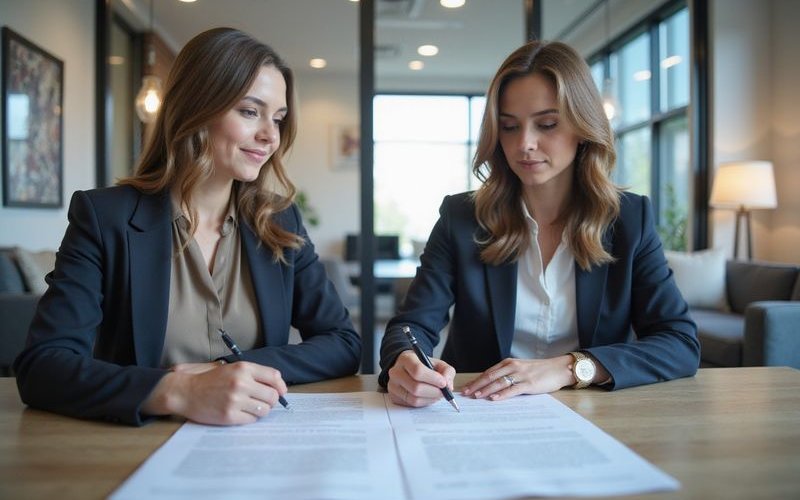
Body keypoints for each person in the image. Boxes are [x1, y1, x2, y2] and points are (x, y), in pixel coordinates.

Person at [14, 28, 361, 426]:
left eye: (278, 119)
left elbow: (343, 343)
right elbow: (43, 366)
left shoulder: (279, 220)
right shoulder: (105, 217)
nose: (270, 136)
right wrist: (178, 391)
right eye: (250, 112)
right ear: (198, 107)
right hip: (136, 446)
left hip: (253, 438)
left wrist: (230, 369)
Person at [379, 40, 699, 408]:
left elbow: (679, 343)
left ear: (583, 127)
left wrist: (570, 367)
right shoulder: (462, 217)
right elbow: (410, 326)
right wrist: (405, 361)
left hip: (594, 413)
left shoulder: (629, 219)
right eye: (509, 127)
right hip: (479, 409)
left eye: (547, 124)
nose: (525, 143)